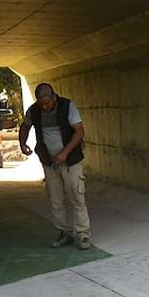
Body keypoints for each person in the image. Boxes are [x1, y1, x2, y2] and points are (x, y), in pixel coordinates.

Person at [19, 82, 91, 250]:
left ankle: (83, 235)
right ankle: (64, 232)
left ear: (54, 96)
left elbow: (79, 131)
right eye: (41, 103)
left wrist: (65, 153)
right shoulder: (34, 110)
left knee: (76, 196)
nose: (45, 106)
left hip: (70, 161)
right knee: (56, 199)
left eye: (48, 102)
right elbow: (25, 127)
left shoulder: (67, 106)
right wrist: (22, 143)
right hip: (49, 162)